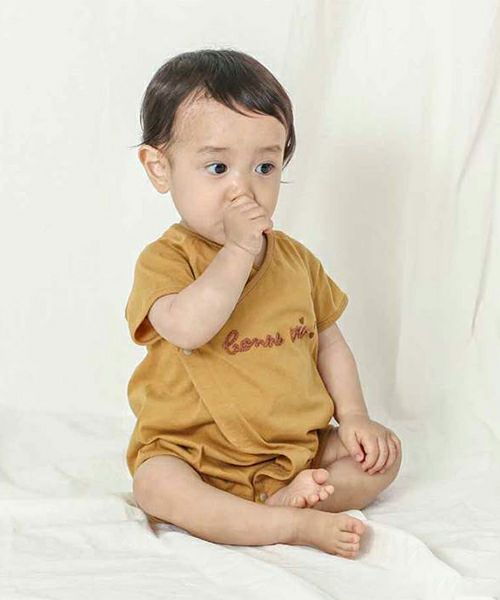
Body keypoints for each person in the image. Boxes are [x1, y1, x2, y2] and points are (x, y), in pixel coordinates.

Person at [125, 48, 402, 559]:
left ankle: (283, 500)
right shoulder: (166, 261)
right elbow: (187, 328)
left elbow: (330, 344)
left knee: (381, 457)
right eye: (217, 166)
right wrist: (236, 251)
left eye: (265, 166)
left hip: (294, 448)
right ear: (159, 168)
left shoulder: (297, 262)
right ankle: (288, 524)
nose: (244, 189)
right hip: (195, 452)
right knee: (156, 485)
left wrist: (355, 417)